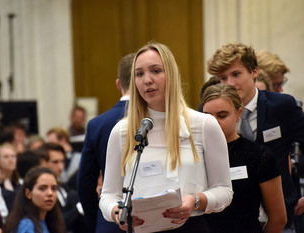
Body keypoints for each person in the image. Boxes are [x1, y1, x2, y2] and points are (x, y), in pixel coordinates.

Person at [99, 42, 233, 233]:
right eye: (139, 74)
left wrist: (195, 200)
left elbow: (224, 191)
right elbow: (108, 196)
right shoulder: (122, 131)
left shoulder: (203, 124)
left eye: (155, 71)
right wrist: (116, 212)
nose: (147, 80)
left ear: (170, 74)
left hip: (190, 228)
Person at [207, 42, 304, 232]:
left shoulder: (282, 106)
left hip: (282, 212)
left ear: (254, 72)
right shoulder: (211, 113)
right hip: (234, 217)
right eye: (222, 78)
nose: (230, 84)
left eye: (236, 74)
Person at [201, 83, 287, 233]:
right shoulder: (194, 154)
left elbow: (278, 218)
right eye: (207, 117)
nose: (214, 122)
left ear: (238, 114)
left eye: (222, 115)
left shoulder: (258, 155)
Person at [77, 52, 135, 233]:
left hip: (112, 220)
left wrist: (98, 221)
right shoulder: (161, 118)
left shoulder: (97, 124)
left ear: (118, 84)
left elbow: (85, 183)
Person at [3, 166, 65, 233]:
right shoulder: (26, 225)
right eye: (42, 188)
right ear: (28, 193)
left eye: (54, 188)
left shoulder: (51, 222)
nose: (50, 193)